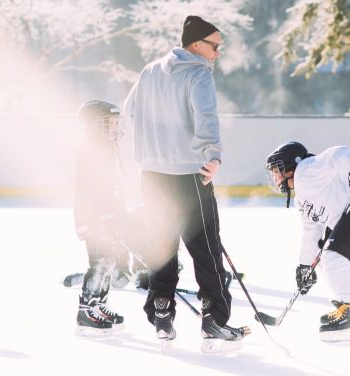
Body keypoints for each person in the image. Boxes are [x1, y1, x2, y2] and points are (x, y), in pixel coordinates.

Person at [122, 15, 248, 352]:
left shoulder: (150, 71)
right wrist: (213, 155)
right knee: (206, 249)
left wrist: (154, 145)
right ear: (195, 44)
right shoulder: (198, 73)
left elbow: (129, 111)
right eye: (215, 46)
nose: (218, 53)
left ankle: (162, 314)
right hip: (191, 174)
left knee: (162, 245)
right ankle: (214, 321)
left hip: (152, 176)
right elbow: (206, 117)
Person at [264, 141, 350, 342]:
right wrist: (305, 265)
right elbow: (311, 231)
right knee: (322, 257)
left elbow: (338, 153)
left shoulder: (306, 170)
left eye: (277, 170)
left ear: (291, 165)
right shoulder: (300, 198)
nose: (276, 177)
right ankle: (345, 307)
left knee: (333, 256)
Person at [72, 100, 130, 337]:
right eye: (110, 123)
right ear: (94, 125)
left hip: (109, 216)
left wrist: (118, 212)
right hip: (95, 218)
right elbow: (89, 190)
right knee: (100, 261)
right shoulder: (90, 150)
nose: (115, 127)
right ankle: (86, 311)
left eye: (116, 122)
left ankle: (99, 305)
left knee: (109, 260)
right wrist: (101, 216)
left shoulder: (109, 148)